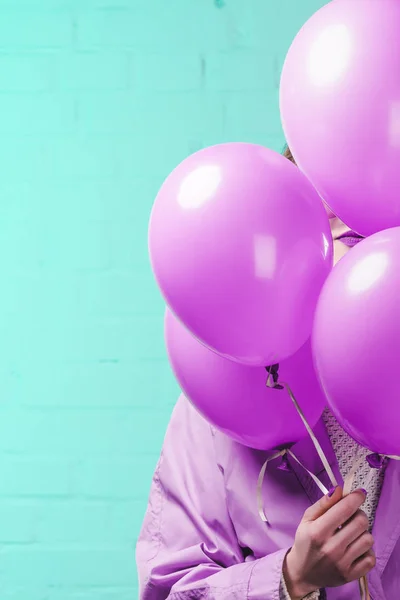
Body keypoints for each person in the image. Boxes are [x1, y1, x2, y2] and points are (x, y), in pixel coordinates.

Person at [136, 146, 399, 599]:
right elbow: (170, 588)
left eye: (366, 232)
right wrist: (292, 576)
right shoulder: (220, 393)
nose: (350, 250)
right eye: (327, 224)